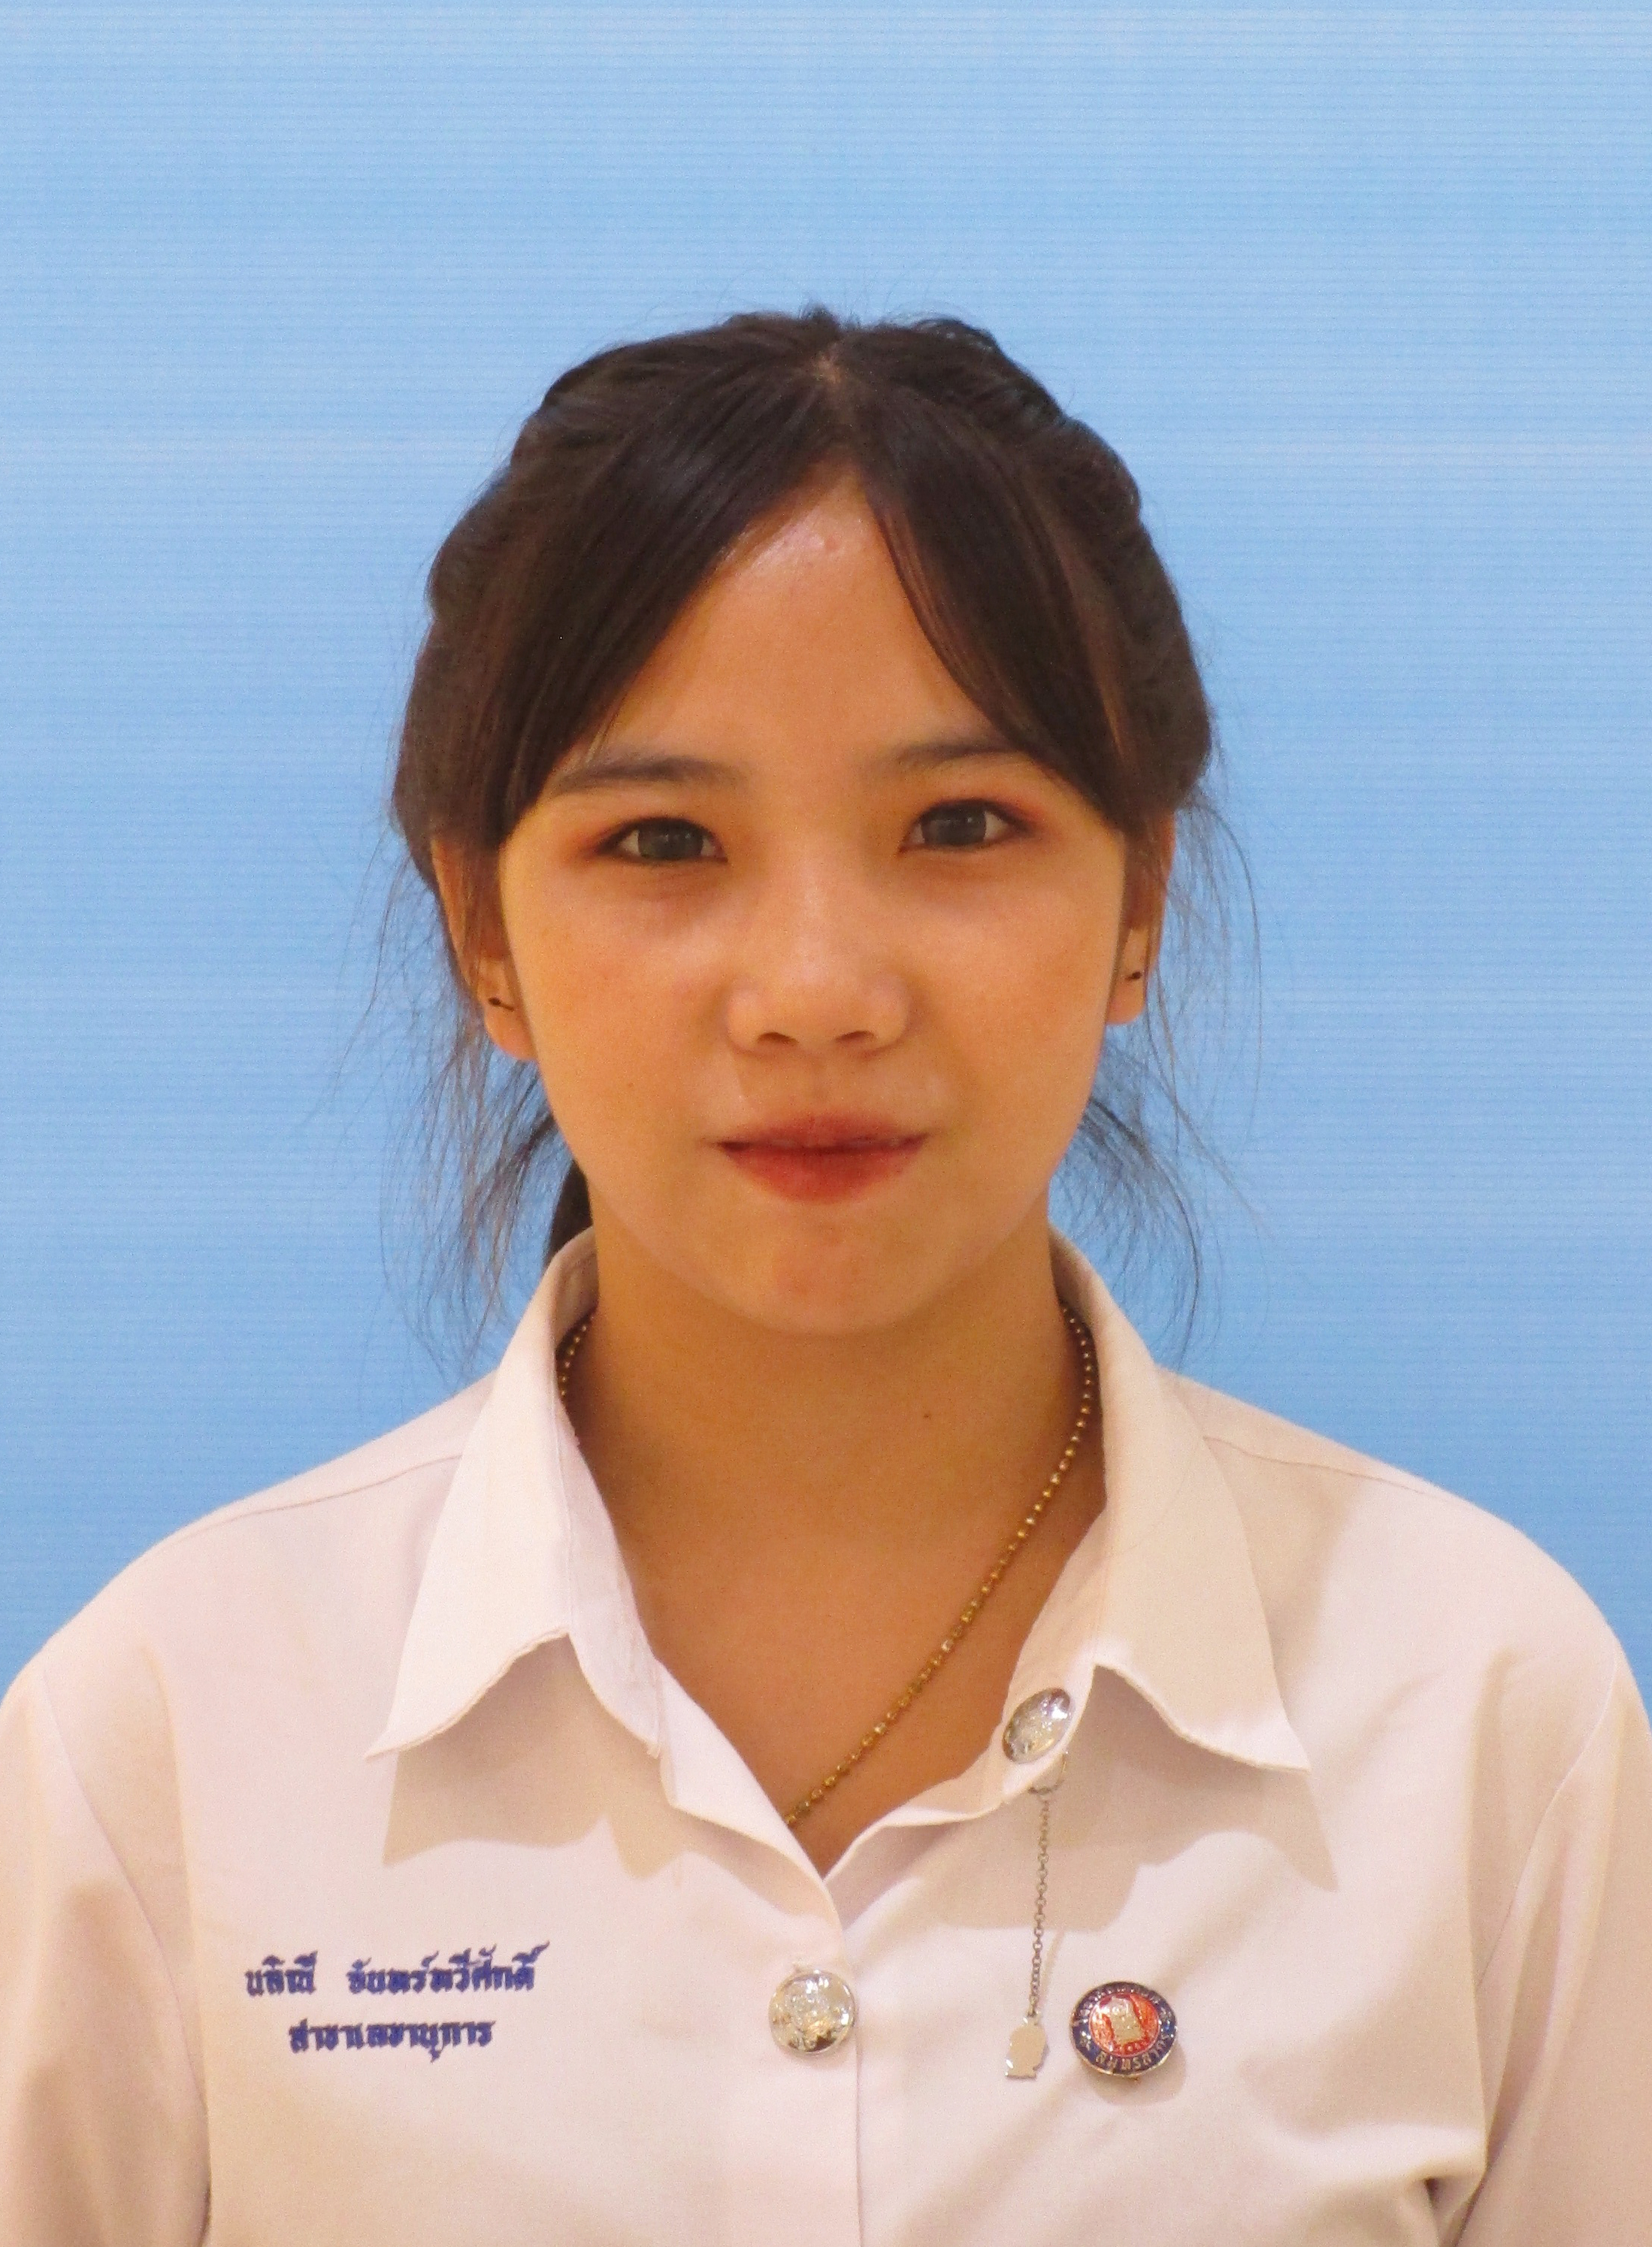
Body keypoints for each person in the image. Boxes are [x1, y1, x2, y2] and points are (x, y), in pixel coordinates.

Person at [1, 308, 1647, 2245]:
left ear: (1141, 897)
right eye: (663, 839)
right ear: (479, 929)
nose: (816, 994)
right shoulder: (174, 1732)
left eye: (961, 826)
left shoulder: (1479, 1711)